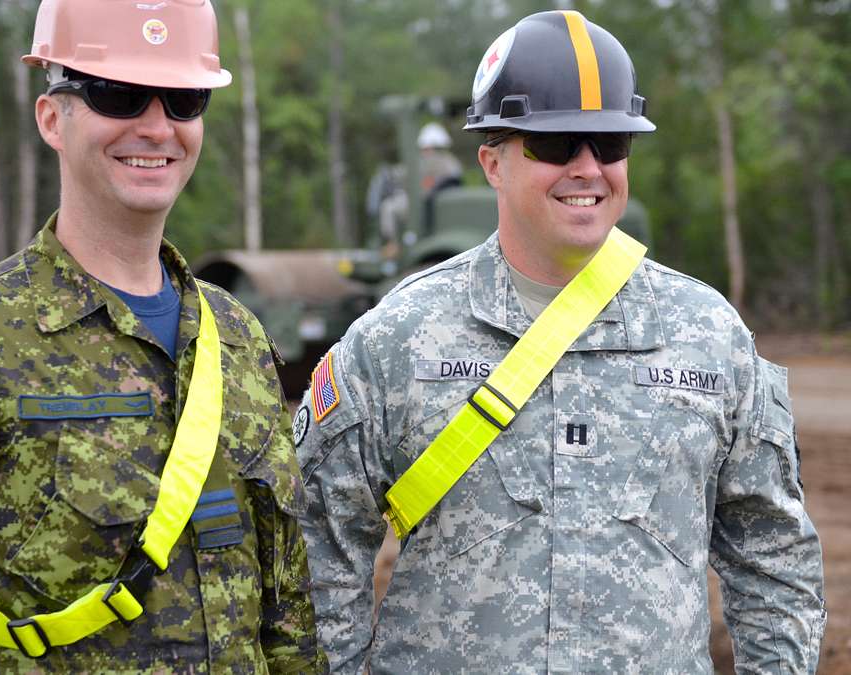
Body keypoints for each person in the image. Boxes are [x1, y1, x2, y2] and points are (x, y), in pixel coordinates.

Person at [294, 10, 825, 674]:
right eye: (557, 144)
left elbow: (774, 560)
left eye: (610, 144)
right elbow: (316, 544)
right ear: (492, 161)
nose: (588, 168)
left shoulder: (709, 336)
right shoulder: (398, 339)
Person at [0, 0, 327, 671]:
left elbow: (288, 618)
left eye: (183, 100)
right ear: (52, 118)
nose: (157, 127)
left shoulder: (238, 338)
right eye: (118, 95)